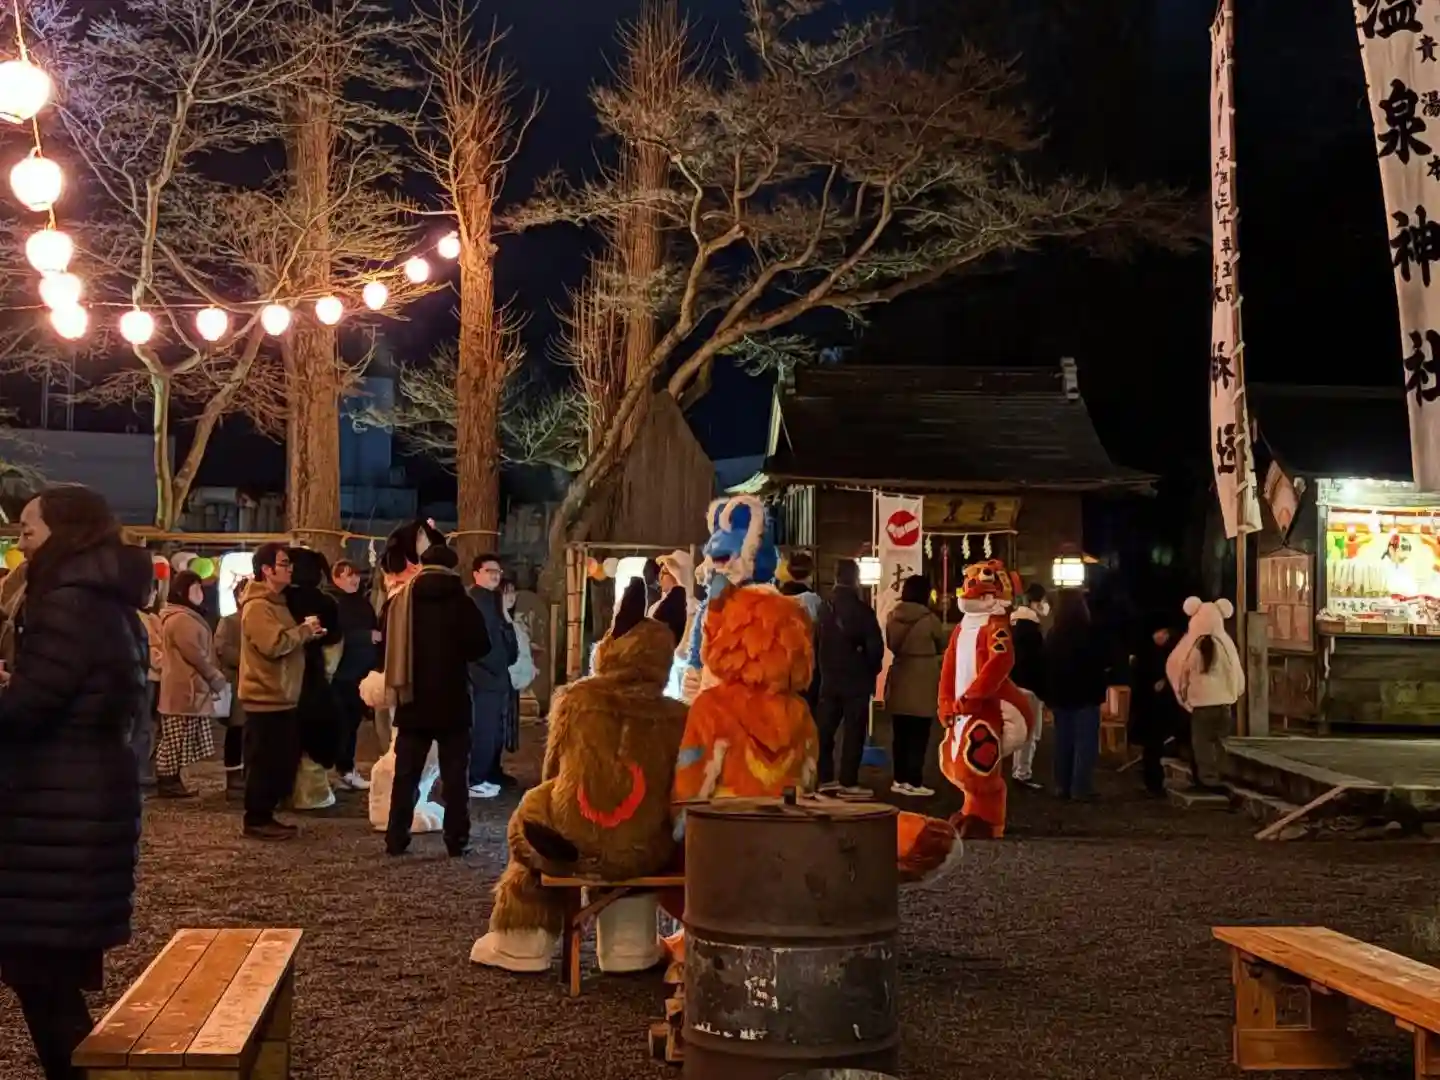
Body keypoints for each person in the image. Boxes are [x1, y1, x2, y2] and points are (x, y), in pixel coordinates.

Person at [0, 485, 150, 1080]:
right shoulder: (106, 599)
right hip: (84, 799)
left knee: (40, 975)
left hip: (57, 808)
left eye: (28, 531)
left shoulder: (67, 602)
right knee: (46, 975)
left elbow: (30, 708)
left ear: (64, 533)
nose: (21, 544)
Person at [382, 544, 489, 856]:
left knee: (406, 774)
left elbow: (385, 641)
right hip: (453, 700)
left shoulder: (401, 600)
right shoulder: (463, 602)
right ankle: (457, 840)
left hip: (412, 698)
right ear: (452, 568)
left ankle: (396, 838)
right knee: (455, 776)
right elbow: (481, 647)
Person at [237, 544, 322, 840]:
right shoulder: (258, 606)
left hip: (283, 695)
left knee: (279, 760)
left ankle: (266, 815)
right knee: (264, 762)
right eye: (284, 563)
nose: (290, 569)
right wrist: (304, 631)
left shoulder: (277, 603)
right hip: (265, 697)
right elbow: (272, 645)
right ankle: (257, 819)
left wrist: (306, 634)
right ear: (266, 570)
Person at [155, 569, 228, 798]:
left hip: (187, 687)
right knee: (176, 738)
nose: (200, 594)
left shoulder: (184, 616)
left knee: (180, 737)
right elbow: (195, 655)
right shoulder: (181, 619)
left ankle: (172, 779)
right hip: (184, 688)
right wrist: (214, 677)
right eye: (195, 589)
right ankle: (167, 780)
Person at [816, 557, 885, 793]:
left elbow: (814, 643)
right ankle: (848, 781)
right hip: (857, 682)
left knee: (825, 731)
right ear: (856, 579)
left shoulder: (823, 608)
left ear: (835, 577)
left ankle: (825, 777)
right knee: (853, 733)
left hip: (828, 680)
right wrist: (870, 670)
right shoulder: (863, 611)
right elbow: (875, 649)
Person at [285, 548, 343, 810]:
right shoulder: (327, 603)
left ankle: (284, 792)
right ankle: (313, 793)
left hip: (281, 678)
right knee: (316, 735)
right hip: (316, 677)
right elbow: (334, 645)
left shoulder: (278, 600)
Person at [1041, 588, 1112, 800]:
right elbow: (1101, 661)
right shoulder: (1090, 632)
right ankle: (1081, 787)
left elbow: (1047, 666)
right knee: (1085, 742)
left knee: (1063, 741)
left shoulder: (1054, 634)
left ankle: (1062, 785)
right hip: (1086, 695)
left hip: (1061, 695)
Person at [883, 574, 948, 797]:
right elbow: (942, 644)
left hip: (900, 674)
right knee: (919, 733)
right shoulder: (930, 619)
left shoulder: (893, 616)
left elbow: (891, 643)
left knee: (900, 733)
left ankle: (899, 779)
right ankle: (914, 780)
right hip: (923, 677)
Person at [468, 552, 518, 798]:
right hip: (481, 676)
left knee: (496, 730)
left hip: (499, 675)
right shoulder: (472, 601)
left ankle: (489, 772)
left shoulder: (495, 600)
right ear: (476, 573)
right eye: (490, 571)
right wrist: (492, 664)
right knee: (483, 729)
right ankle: (474, 778)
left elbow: (507, 639)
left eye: (498, 572)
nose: (495, 576)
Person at [328, 558, 379, 791]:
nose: (354, 579)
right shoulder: (334, 603)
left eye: (355, 574)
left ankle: (346, 769)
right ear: (336, 578)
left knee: (353, 723)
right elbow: (336, 635)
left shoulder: (362, 603)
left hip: (362, 672)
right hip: (342, 673)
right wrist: (367, 637)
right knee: (342, 724)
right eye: (348, 575)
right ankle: (342, 769)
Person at [1130, 612, 1182, 796]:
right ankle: (1153, 784)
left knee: (1154, 747)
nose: (1161, 636)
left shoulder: (1169, 652)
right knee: (1152, 747)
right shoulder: (1147, 652)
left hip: (1159, 708)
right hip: (1149, 707)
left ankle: (1154, 783)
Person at [1009, 582, 1049, 791]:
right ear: (1035, 602)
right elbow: (1036, 664)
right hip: (1030, 688)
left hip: (1014, 685)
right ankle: (1022, 772)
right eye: (1043, 601)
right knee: (1030, 734)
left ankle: (1018, 770)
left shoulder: (1014, 625)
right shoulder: (1031, 629)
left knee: (1019, 731)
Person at [214, 578, 249, 798]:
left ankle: (248, 773)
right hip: (237, 682)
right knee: (236, 730)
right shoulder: (229, 621)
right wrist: (248, 661)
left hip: (255, 684)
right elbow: (222, 648)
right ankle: (233, 777)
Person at [136, 581, 163, 788]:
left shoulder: (153, 618)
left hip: (157, 677)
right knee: (143, 725)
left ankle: (146, 769)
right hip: (146, 677)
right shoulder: (138, 618)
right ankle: (140, 771)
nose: (152, 595)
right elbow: (152, 652)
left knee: (152, 725)